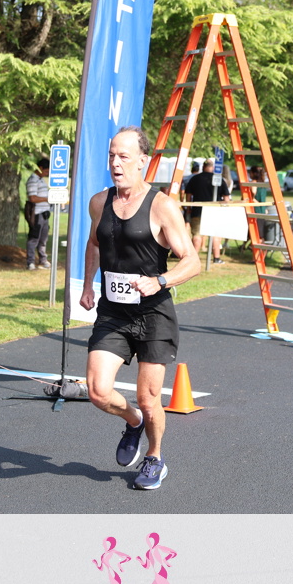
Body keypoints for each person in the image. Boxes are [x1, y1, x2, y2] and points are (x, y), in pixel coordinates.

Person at [79, 126, 200, 490]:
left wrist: (160, 280)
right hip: (113, 312)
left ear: (143, 161)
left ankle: (154, 457)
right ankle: (133, 422)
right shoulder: (99, 202)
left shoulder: (162, 206)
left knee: (150, 399)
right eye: (111, 156)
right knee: (98, 391)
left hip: (152, 314)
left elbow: (192, 261)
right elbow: (94, 244)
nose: (115, 163)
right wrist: (88, 285)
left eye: (124, 156)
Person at [183, 158, 230, 263]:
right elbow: (226, 198)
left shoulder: (195, 178)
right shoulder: (219, 179)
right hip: (215, 212)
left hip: (198, 211)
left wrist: (189, 208)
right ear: (212, 167)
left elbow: (188, 195)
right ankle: (216, 258)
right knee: (215, 235)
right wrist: (225, 210)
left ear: (203, 167)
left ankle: (193, 259)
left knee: (197, 235)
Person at [25, 158, 51, 270]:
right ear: (40, 168)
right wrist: (48, 199)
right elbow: (33, 198)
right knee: (34, 238)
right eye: (46, 171)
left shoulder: (41, 180)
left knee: (43, 239)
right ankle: (30, 262)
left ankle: (43, 259)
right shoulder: (33, 180)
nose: (47, 174)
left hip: (44, 213)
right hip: (36, 213)